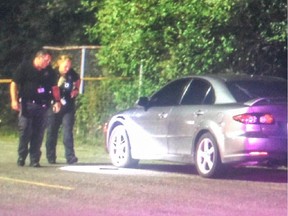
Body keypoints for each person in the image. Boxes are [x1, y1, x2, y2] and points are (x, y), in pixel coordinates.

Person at [10, 50, 61, 167]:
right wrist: (14, 100)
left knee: (38, 133)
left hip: (42, 105)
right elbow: (14, 83)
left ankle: (34, 159)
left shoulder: (50, 72)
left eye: (49, 60)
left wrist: (57, 101)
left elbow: (54, 88)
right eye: (46, 60)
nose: (48, 63)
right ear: (39, 58)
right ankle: (22, 155)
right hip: (27, 104)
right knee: (25, 130)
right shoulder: (25, 67)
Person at [45, 54, 80, 164]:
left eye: (69, 66)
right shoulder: (52, 74)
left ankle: (70, 156)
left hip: (67, 105)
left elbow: (78, 79)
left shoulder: (71, 73)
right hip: (54, 105)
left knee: (67, 130)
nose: (67, 68)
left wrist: (76, 89)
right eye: (65, 66)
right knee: (52, 131)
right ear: (59, 63)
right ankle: (51, 156)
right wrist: (56, 101)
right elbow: (51, 89)